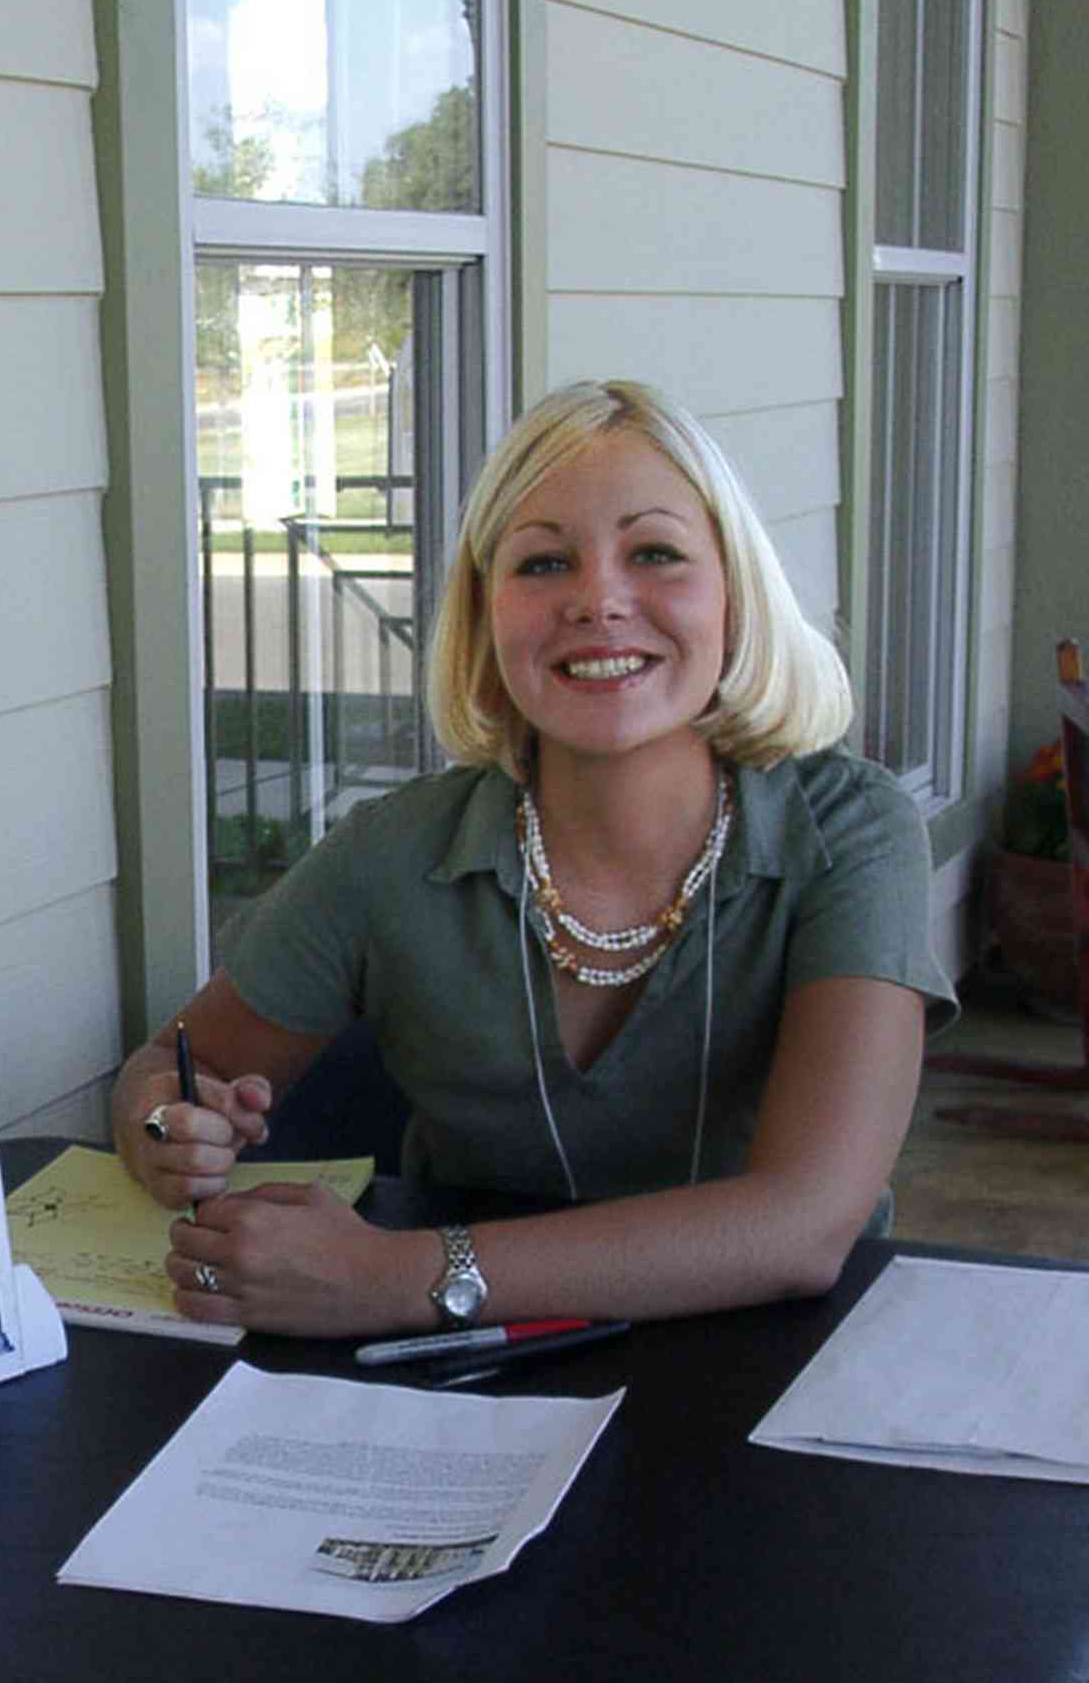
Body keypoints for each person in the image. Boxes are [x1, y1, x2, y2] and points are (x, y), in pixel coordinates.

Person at [112, 379, 957, 1339]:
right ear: (486, 615)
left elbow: (803, 1223)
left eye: (655, 553)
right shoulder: (391, 853)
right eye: (544, 563)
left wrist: (402, 1276)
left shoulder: (851, 829)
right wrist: (165, 1128)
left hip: (779, 1353)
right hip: (463, 1373)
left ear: (736, 590)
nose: (598, 600)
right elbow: (168, 1066)